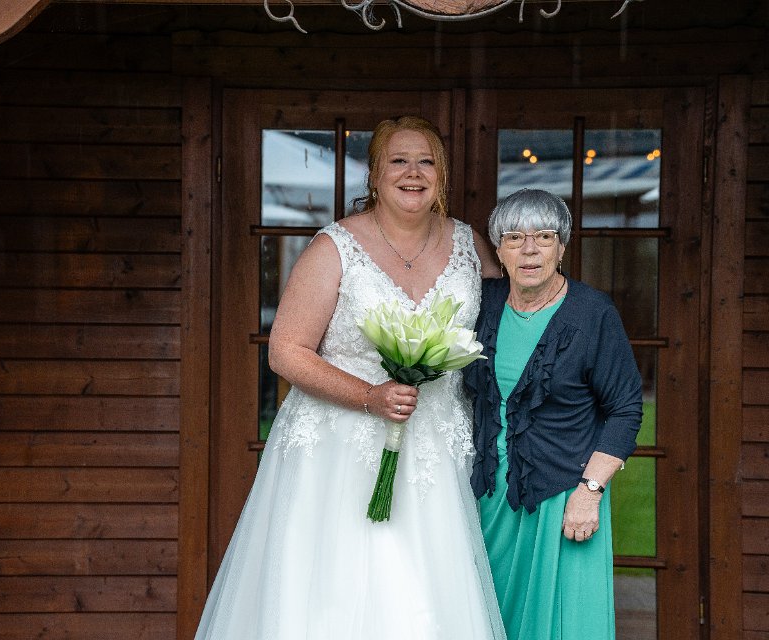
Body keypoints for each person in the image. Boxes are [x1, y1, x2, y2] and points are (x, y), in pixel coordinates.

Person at [195, 116, 506, 640]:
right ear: (375, 174)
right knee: (335, 594)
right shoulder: (335, 248)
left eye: (426, 161)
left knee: (427, 594)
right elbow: (286, 351)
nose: (413, 173)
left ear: (443, 174)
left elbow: (503, 330)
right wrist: (368, 395)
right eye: (399, 161)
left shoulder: (469, 245)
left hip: (435, 446)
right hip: (339, 451)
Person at [463, 188, 642, 640]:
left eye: (543, 236)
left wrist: (590, 491)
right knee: (487, 616)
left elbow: (625, 410)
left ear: (561, 248)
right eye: (514, 237)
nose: (529, 250)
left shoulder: (592, 312)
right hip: (489, 496)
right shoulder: (482, 304)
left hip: (564, 497)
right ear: (498, 250)